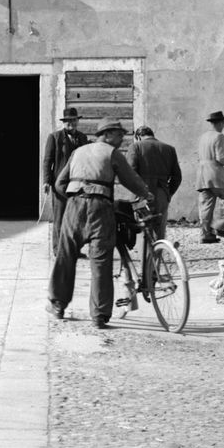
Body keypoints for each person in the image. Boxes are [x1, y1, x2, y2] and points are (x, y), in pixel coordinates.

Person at [47, 121, 154, 327]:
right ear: (107, 134)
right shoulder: (112, 153)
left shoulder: (78, 152)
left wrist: (74, 198)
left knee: (65, 255)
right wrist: (146, 194)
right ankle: (99, 315)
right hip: (100, 208)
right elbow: (130, 179)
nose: (122, 138)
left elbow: (60, 183)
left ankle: (57, 305)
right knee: (101, 261)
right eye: (119, 134)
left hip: (74, 207)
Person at [41, 108, 89, 256]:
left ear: (77, 122)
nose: (71, 123)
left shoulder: (82, 138)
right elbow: (47, 161)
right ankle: (58, 249)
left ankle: (74, 249)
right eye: (68, 121)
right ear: (64, 122)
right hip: (60, 184)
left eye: (74, 120)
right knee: (60, 217)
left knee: (77, 218)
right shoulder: (54, 137)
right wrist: (47, 181)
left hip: (78, 184)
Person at [195, 110, 224, 243]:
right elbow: (221, 158)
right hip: (215, 174)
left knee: (206, 205)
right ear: (221, 123)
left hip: (202, 175)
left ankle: (205, 235)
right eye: (223, 123)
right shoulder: (219, 136)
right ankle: (219, 227)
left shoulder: (203, 136)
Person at [126, 124, 182, 225]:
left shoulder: (135, 147)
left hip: (142, 193)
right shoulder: (169, 149)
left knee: (141, 229)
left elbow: (130, 172)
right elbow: (177, 177)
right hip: (162, 192)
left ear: (138, 137)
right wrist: (168, 194)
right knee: (159, 230)